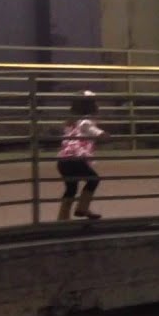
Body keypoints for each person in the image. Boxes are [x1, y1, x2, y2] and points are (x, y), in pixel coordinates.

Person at [57, 90, 105, 220]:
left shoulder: (70, 121)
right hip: (75, 160)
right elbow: (94, 131)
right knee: (93, 179)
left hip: (63, 160)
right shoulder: (86, 121)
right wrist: (103, 134)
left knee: (71, 189)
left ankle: (63, 217)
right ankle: (82, 208)